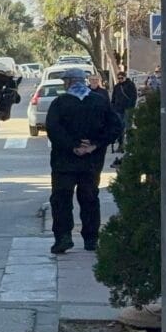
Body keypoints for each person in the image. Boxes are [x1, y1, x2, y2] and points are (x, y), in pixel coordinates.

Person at [45, 68, 123, 254]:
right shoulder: (99, 102)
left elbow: (53, 129)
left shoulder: (60, 103)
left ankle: (63, 238)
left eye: (65, 81)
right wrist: (95, 145)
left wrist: (73, 146)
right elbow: (116, 126)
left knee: (62, 199)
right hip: (92, 161)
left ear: (70, 82)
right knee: (89, 198)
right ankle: (91, 239)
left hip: (64, 161)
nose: (64, 84)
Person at [110, 70, 138, 153]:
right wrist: (113, 108)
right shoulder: (117, 86)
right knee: (119, 129)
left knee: (128, 127)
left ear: (125, 77)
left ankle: (130, 145)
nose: (120, 80)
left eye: (121, 78)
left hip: (127, 109)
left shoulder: (130, 85)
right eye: (118, 78)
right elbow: (114, 98)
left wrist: (130, 107)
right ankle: (120, 145)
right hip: (118, 110)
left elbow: (134, 97)